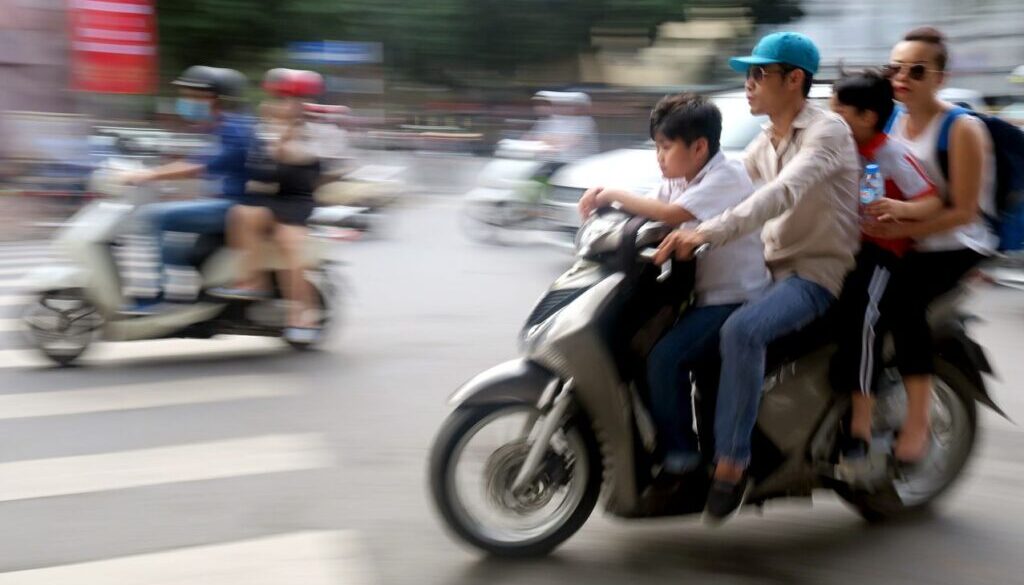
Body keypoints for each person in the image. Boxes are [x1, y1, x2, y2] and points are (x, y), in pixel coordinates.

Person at [653, 32, 860, 520]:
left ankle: (732, 464)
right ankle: (693, 451)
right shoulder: (763, 145)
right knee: (687, 342)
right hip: (769, 272)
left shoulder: (826, 133)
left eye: (758, 75)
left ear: (794, 80)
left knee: (741, 330)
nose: (748, 85)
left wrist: (705, 234)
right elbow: (717, 186)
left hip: (813, 274)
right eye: (747, 75)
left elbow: (776, 197)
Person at [580, 93, 770, 475]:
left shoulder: (725, 177)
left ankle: (681, 454)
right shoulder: (680, 179)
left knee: (665, 358)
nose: (659, 156)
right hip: (700, 298)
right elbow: (650, 210)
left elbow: (671, 214)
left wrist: (614, 192)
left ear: (699, 147)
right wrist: (608, 206)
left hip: (735, 299)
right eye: (657, 147)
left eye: (666, 147)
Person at [865, 27, 997, 461]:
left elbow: (965, 211)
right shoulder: (890, 121)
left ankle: (918, 421)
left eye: (916, 70)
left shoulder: (962, 129)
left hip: (958, 242)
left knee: (903, 304)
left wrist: (902, 229)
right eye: (895, 68)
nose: (902, 77)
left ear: (939, 77)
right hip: (906, 236)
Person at [826, 70, 942, 462]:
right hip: (843, 248)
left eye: (838, 112)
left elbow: (931, 201)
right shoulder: (841, 149)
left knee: (864, 319)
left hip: (882, 255)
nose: (830, 119)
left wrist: (898, 209)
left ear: (867, 117)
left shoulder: (890, 154)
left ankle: (859, 425)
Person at [126, 66, 254, 310]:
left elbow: (203, 164)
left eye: (195, 96)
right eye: (186, 95)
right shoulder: (222, 127)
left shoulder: (236, 129)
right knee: (171, 247)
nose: (187, 102)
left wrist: (150, 174)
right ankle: (186, 296)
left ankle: (155, 296)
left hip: (238, 207)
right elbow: (199, 160)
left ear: (218, 100)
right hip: (228, 202)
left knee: (151, 216)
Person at [212, 69, 324, 343]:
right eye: (280, 97)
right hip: (270, 197)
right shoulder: (265, 125)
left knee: (291, 244)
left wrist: (287, 128)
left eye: (289, 98)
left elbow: (295, 158)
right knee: (242, 214)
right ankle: (252, 280)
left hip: (296, 199)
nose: (282, 103)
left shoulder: (317, 128)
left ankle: (301, 314)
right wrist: (277, 127)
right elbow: (263, 164)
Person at [526, 91, 599, 179]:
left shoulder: (584, 121)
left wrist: (548, 141)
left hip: (576, 163)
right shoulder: (549, 120)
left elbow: (570, 142)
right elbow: (531, 138)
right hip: (551, 161)